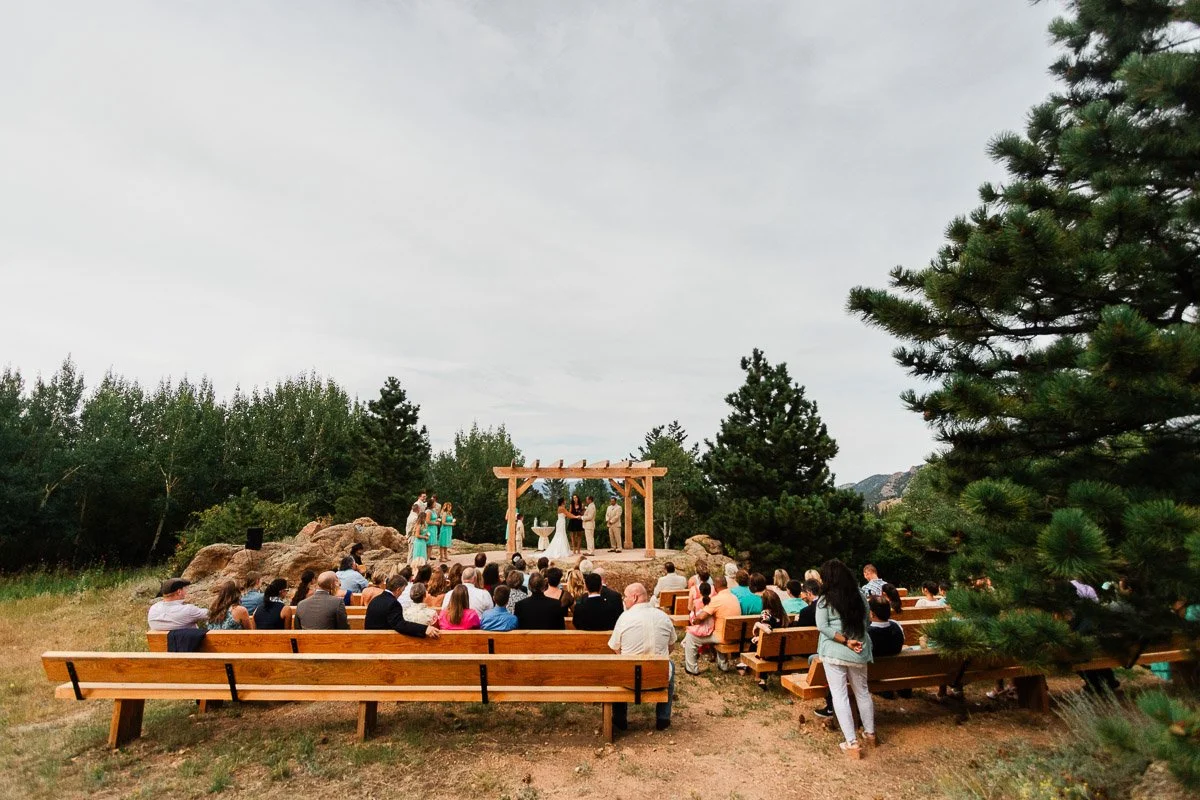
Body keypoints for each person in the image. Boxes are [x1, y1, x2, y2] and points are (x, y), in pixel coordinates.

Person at [815, 559, 876, 758]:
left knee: (839, 695)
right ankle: (870, 734)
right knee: (863, 692)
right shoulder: (859, 595)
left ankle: (851, 743)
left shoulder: (825, 599)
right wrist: (856, 638)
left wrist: (845, 640)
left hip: (835, 651)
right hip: (859, 649)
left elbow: (823, 626)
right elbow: (867, 620)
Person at [608, 582, 676, 731]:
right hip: (659, 678)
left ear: (634, 597)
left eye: (625, 597)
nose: (624, 600)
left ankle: (619, 719)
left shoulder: (624, 618)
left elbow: (615, 648)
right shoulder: (664, 617)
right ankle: (663, 718)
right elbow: (671, 646)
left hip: (629, 680)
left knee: (619, 665)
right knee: (670, 665)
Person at [683, 574, 742, 674]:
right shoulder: (734, 597)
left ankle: (691, 668)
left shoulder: (716, 600)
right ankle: (723, 665)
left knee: (690, 636)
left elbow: (701, 617)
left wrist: (694, 621)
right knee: (719, 628)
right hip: (735, 635)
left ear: (715, 586)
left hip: (722, 637)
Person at [365, 575, 439, 637]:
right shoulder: (393, 604)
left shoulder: (375, 600)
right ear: (398, 590)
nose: (401, 593)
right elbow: (400, 624)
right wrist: (424, 629)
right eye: (402, 590)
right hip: (383, 641)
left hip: (371, 638)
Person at [749, 589, 788, 687]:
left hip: (770, 652)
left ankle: (761, 678)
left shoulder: (766, 614)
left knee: (757, 643)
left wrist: (757, 624)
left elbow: (768, 630)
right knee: (760, 642)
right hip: (783, 652)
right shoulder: (783, 614)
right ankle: (761, 678)